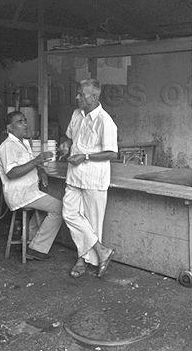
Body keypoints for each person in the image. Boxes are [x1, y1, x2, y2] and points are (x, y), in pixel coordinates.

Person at [62, 79, 118, 278]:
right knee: (69, 213)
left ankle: (83, 259)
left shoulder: (105, 120)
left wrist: (85, 156)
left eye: (81, 94)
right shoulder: (77, 114)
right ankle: (102, 250)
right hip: (74, 175)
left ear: (94, 97)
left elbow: (112, 153)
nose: (77, 97)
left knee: (93, 222)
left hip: (94, 178)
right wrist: (65, 145)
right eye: (78, 93)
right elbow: (69, 137)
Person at [0, 111, 63, 261]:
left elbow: (29, 162)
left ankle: (28, 241)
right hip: (19, 193)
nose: (25, 124)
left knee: (50, 206)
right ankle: (37, 248)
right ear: (9, 128)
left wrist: (40, 170)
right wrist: (36, 161)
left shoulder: (24, 142)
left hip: (30, 191)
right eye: (20, 122)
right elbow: (11, 173)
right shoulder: (8, 146)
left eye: (25, 120)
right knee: (60, 208)